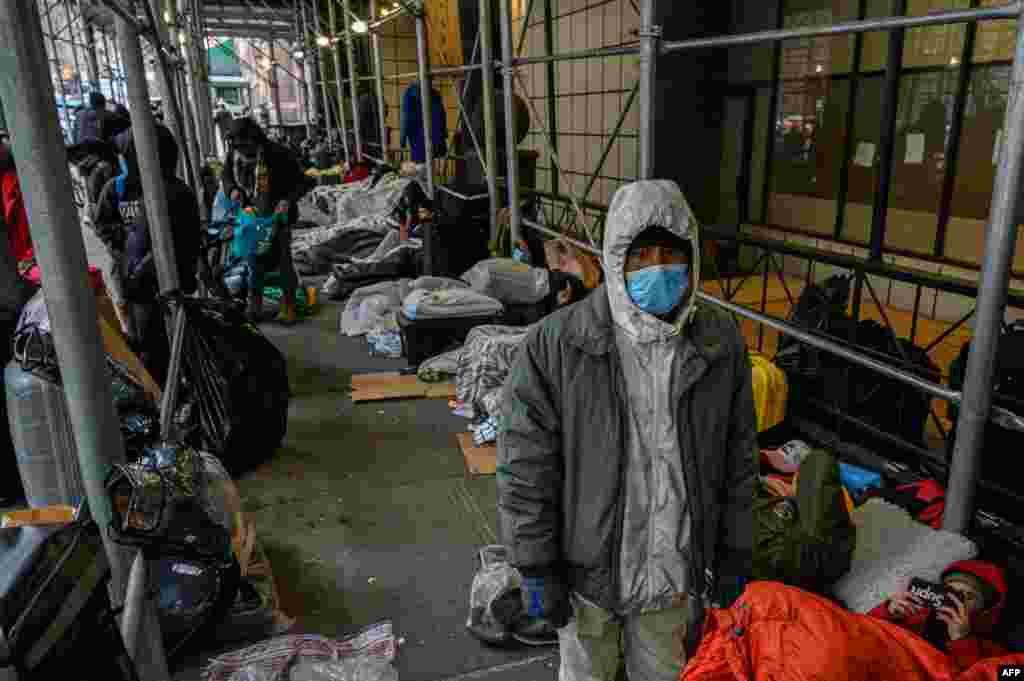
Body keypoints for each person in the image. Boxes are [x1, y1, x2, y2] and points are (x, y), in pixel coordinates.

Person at [497, 180, 756, 681]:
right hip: (586, 576)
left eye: (670, 253)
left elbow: (738, 458)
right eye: (641, 256)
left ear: (693, 259)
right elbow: (526, 467)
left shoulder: (718, 344)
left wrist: (734, 550)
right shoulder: (557, 345)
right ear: (616, 259)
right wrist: (534, 565)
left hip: (673, 572)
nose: (657, 267)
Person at [92, 123, 199, 384]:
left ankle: (170, 389)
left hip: (167, 286)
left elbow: (187, 240)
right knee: (149, 343)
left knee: (172, 343)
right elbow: (103, 225)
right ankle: (162, 389)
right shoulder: (116, 189)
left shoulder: (172, 192)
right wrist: (123, 241)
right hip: (138, 285)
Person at [220, 116, 306, 324]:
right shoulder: (234, 155)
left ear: (254, 138)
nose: (242, 150)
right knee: (254, 263)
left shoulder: (278, 154)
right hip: (251, 217)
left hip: (278, 217)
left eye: (245, 145)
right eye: (237, 145)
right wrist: (232, 191)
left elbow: (301, 182)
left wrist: (287, 200)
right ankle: (255, 306)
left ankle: (288, 305)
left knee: (283, 261)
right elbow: (226, 177)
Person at [869, 560, 1009, 670]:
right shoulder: (913, 614)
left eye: (969, 596)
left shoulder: (992, 651)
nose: (955, 599)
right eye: (950, 591)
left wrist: (963, 642)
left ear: (984, 609)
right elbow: (865, 633)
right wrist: (888, 611)